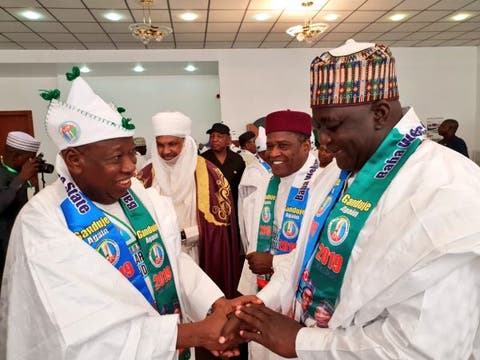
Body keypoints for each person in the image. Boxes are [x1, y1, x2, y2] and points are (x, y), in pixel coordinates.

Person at [225, 39, 480, 359]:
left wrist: (301, 342)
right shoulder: (339, 173)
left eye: (331, 126)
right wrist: (266, 301)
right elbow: (308, 257)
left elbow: (425, 348)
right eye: (318, 127)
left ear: (380, 113)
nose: (324, 142)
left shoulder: (445, 190)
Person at [0, 67, 256, 360]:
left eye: (132, 154)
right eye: (116, 158)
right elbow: (78, 327)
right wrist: (194, 333)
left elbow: (170, 258)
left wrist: (215, 302)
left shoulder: (139, 195)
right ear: (75, 160)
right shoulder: (44, 220)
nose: (130, 167)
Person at [236, 110, 335, 359]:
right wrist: (248, 294)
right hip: (263, 297)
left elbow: (320, 252)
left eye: (283, 146)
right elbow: (255, 242)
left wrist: (273, 263)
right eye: (270, 146)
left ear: (305, 145)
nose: (274, 153)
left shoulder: (324, 186)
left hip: (300, 311)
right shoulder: (267, 184)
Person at [137, 111, 241, 299]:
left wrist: (182, 235)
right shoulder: (145, 175)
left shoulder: (210, 175)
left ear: (185, 143)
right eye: (160, 145)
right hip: (159, 257)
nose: (166, 151)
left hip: (197, 254)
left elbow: (219, 230)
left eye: (172, 144)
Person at [0, 131, 41, 283]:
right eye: (30, 158)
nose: (33, 162)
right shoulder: (5, 174)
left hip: (24, 238)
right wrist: (21, 178)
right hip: (4, 242)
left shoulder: (21, 174)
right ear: (17, 157)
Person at [201, 123, 245, 207]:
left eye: (219, 136)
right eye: (212, 136)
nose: (214, 139)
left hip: (234, 208)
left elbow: (242, 187)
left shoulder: (237, 160)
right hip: (210, 209)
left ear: (228, 140)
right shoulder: (202, 160)